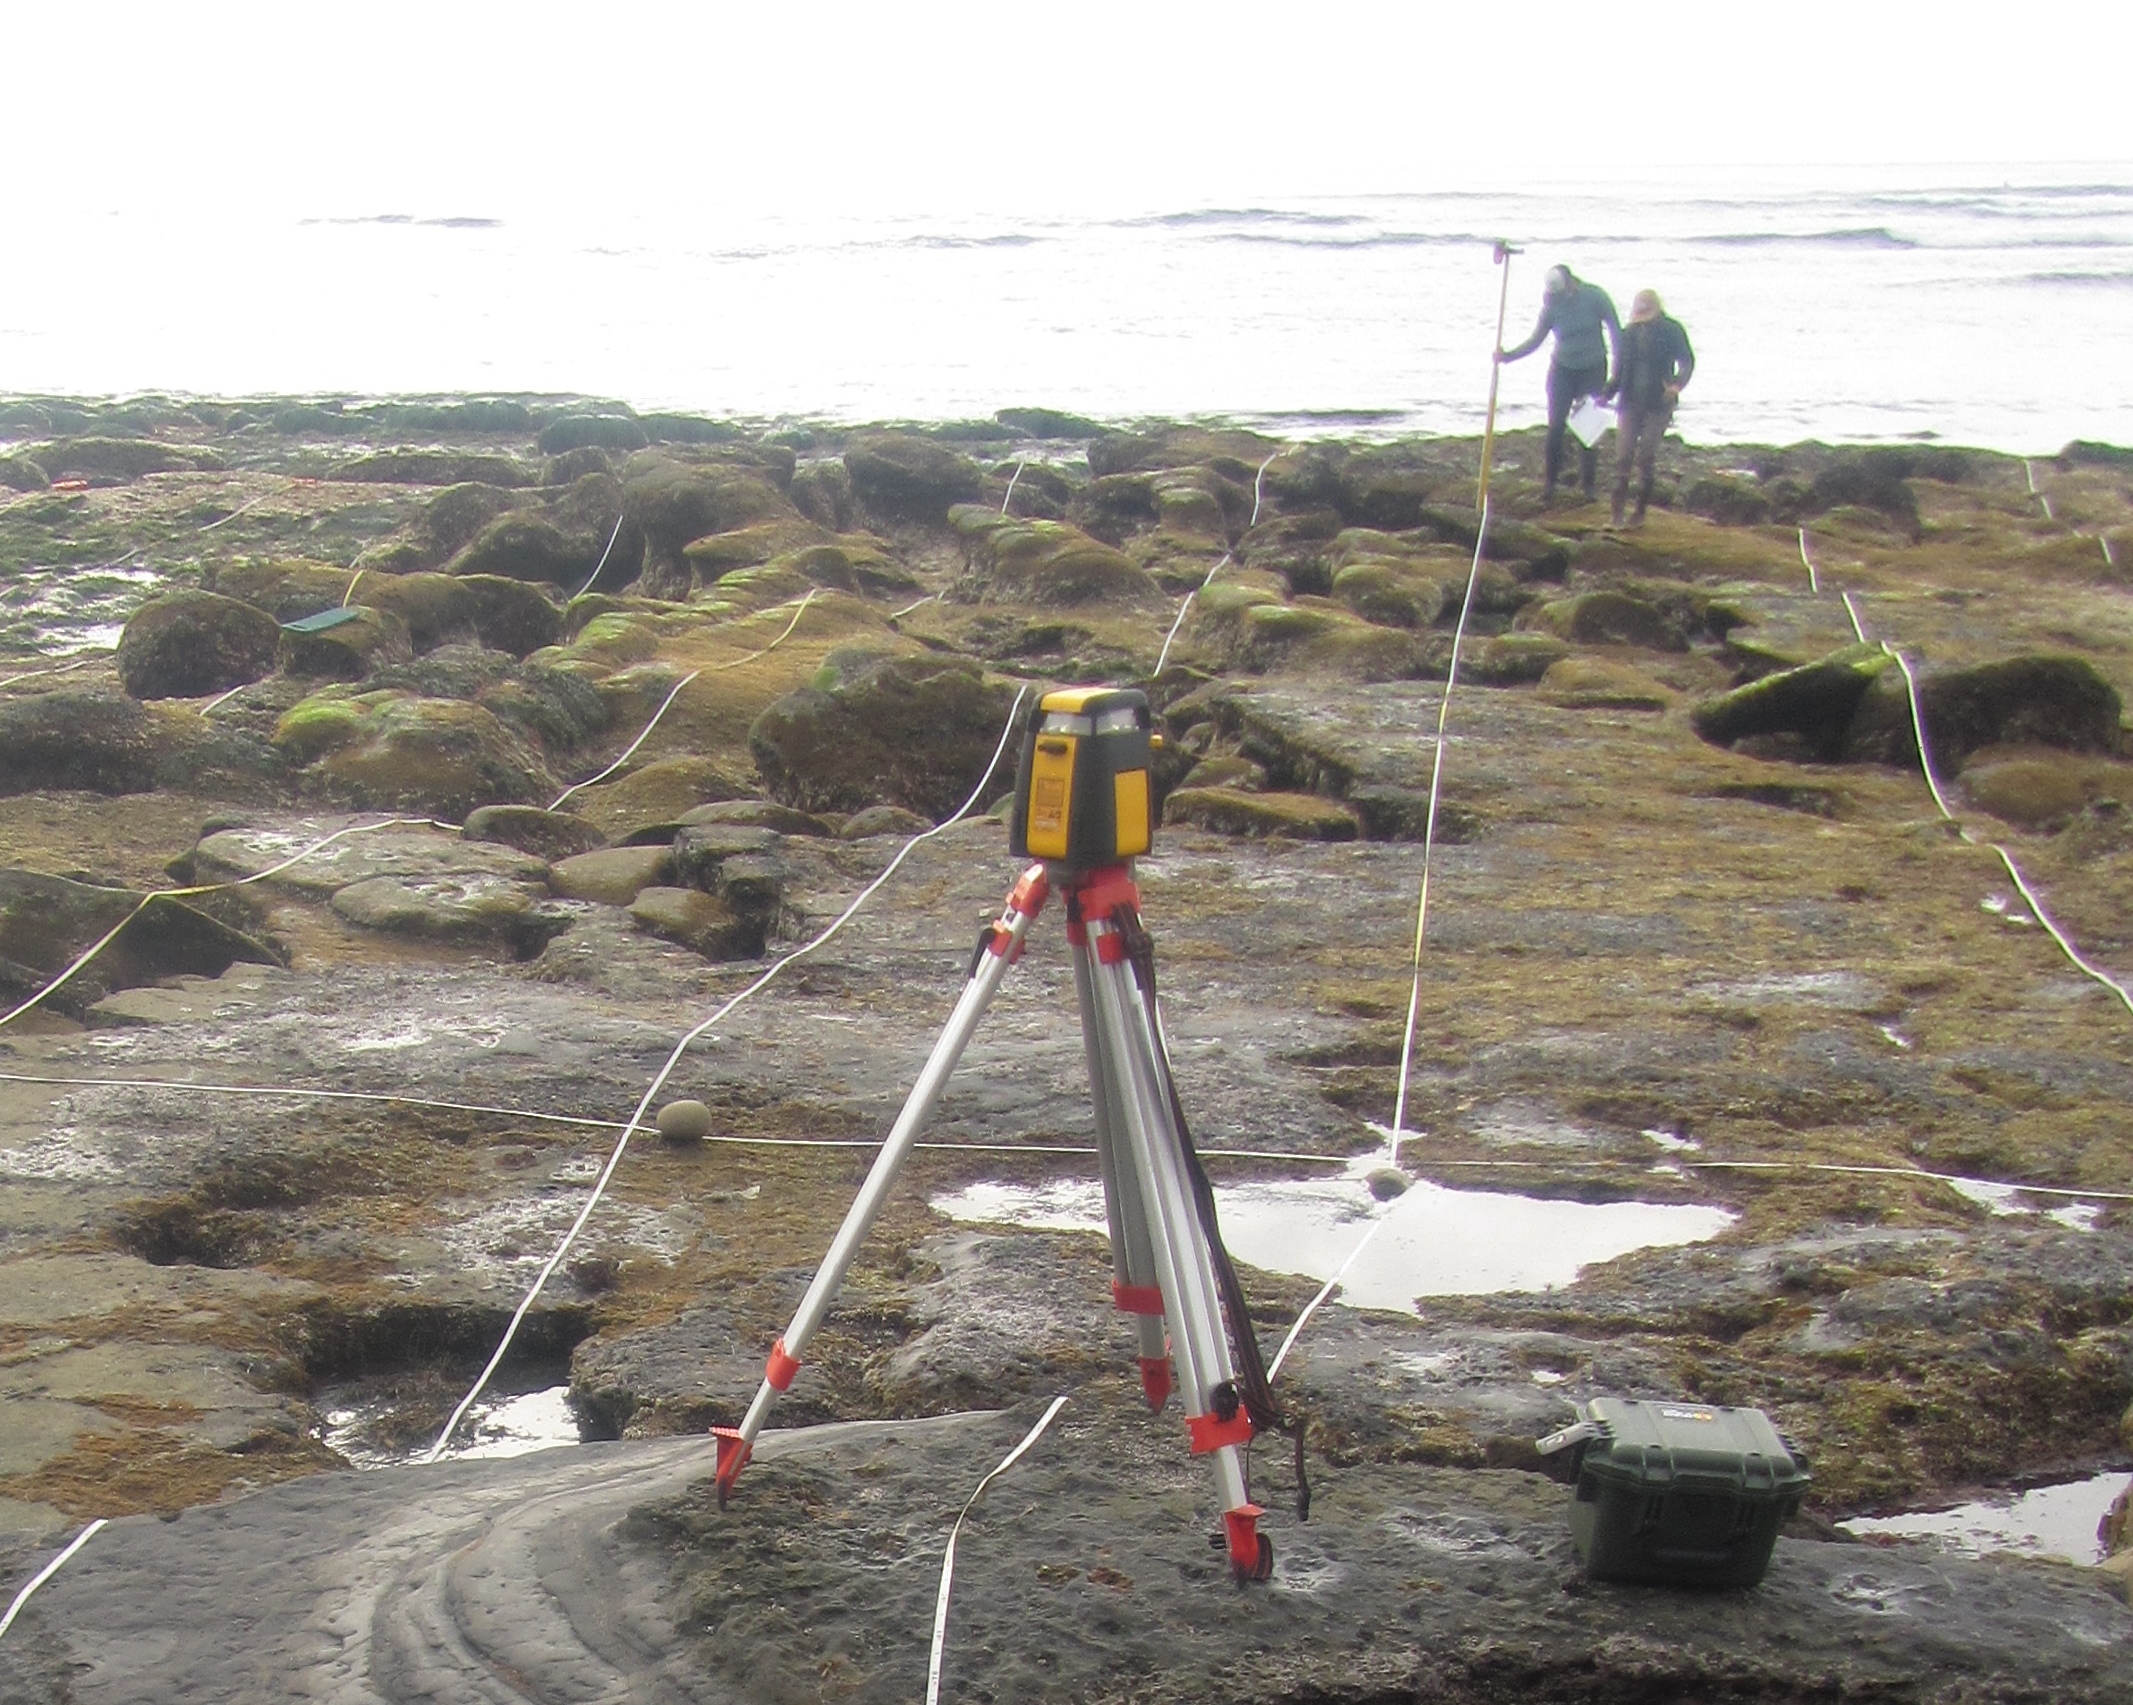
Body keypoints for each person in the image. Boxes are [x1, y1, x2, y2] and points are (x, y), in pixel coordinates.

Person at [1496, 264, 1620, 502]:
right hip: (1562, 370)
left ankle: (1588, 488)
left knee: (1587, 428)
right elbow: (1536, 340)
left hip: (1592, 368)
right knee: (1555, 427)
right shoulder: (1551, 306)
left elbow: (1616, 332)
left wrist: (1618, 373)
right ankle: (1550, 485)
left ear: (1572, 282)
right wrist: (1507, 356)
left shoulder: (1595, 297)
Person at [1605, 289, 1696, 528]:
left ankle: (1640, 512)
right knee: (1623, 457)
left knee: (1646, 456)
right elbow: (1618, 371)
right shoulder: (1628, 334)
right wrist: (1604, 395)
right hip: (1629, 402)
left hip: (1659, 403)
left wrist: (1677, 384)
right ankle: (1616, 514)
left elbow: (1687, 361)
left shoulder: (1672, 330)